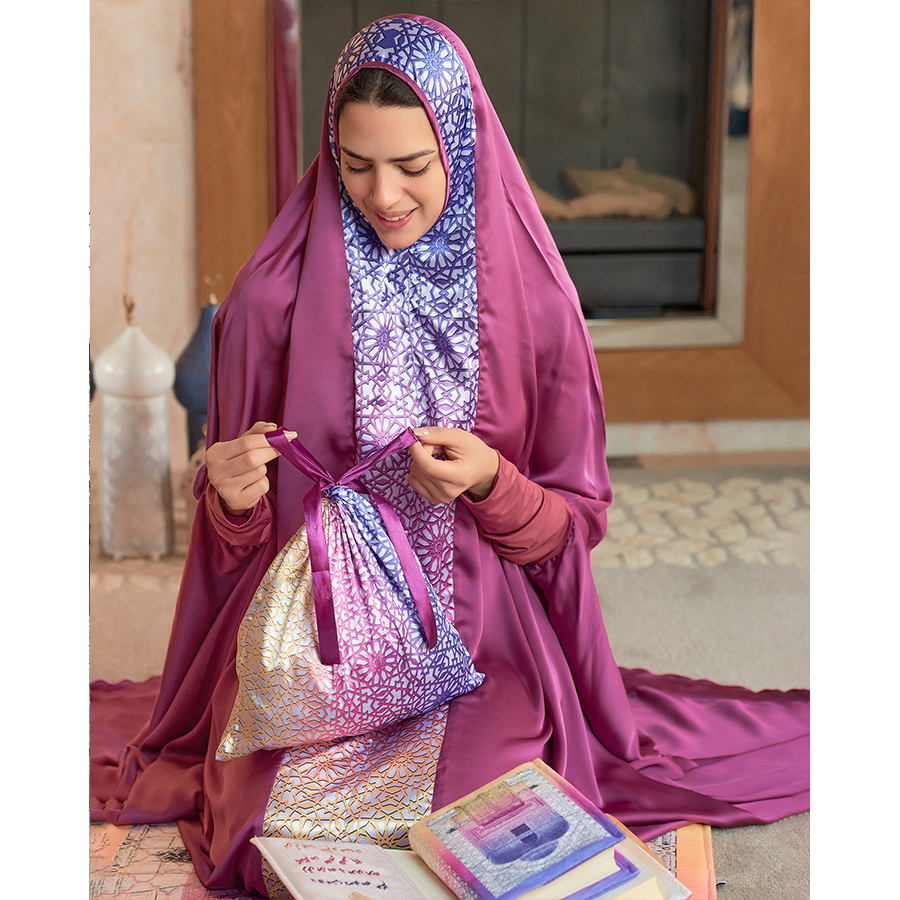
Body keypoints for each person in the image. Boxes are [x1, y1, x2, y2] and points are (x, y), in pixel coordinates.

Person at [90, 15, 809, 898]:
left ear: (461, 149)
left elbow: (575, 525)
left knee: (482, 821)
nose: (382, 194)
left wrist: (492, 483)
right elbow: (228, 548)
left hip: (482, 638)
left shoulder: (535, 305)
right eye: (354, 165)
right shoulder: (270, 299)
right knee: (269, 828)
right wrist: (233, 499)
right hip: (309, 640)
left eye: (412, 166)